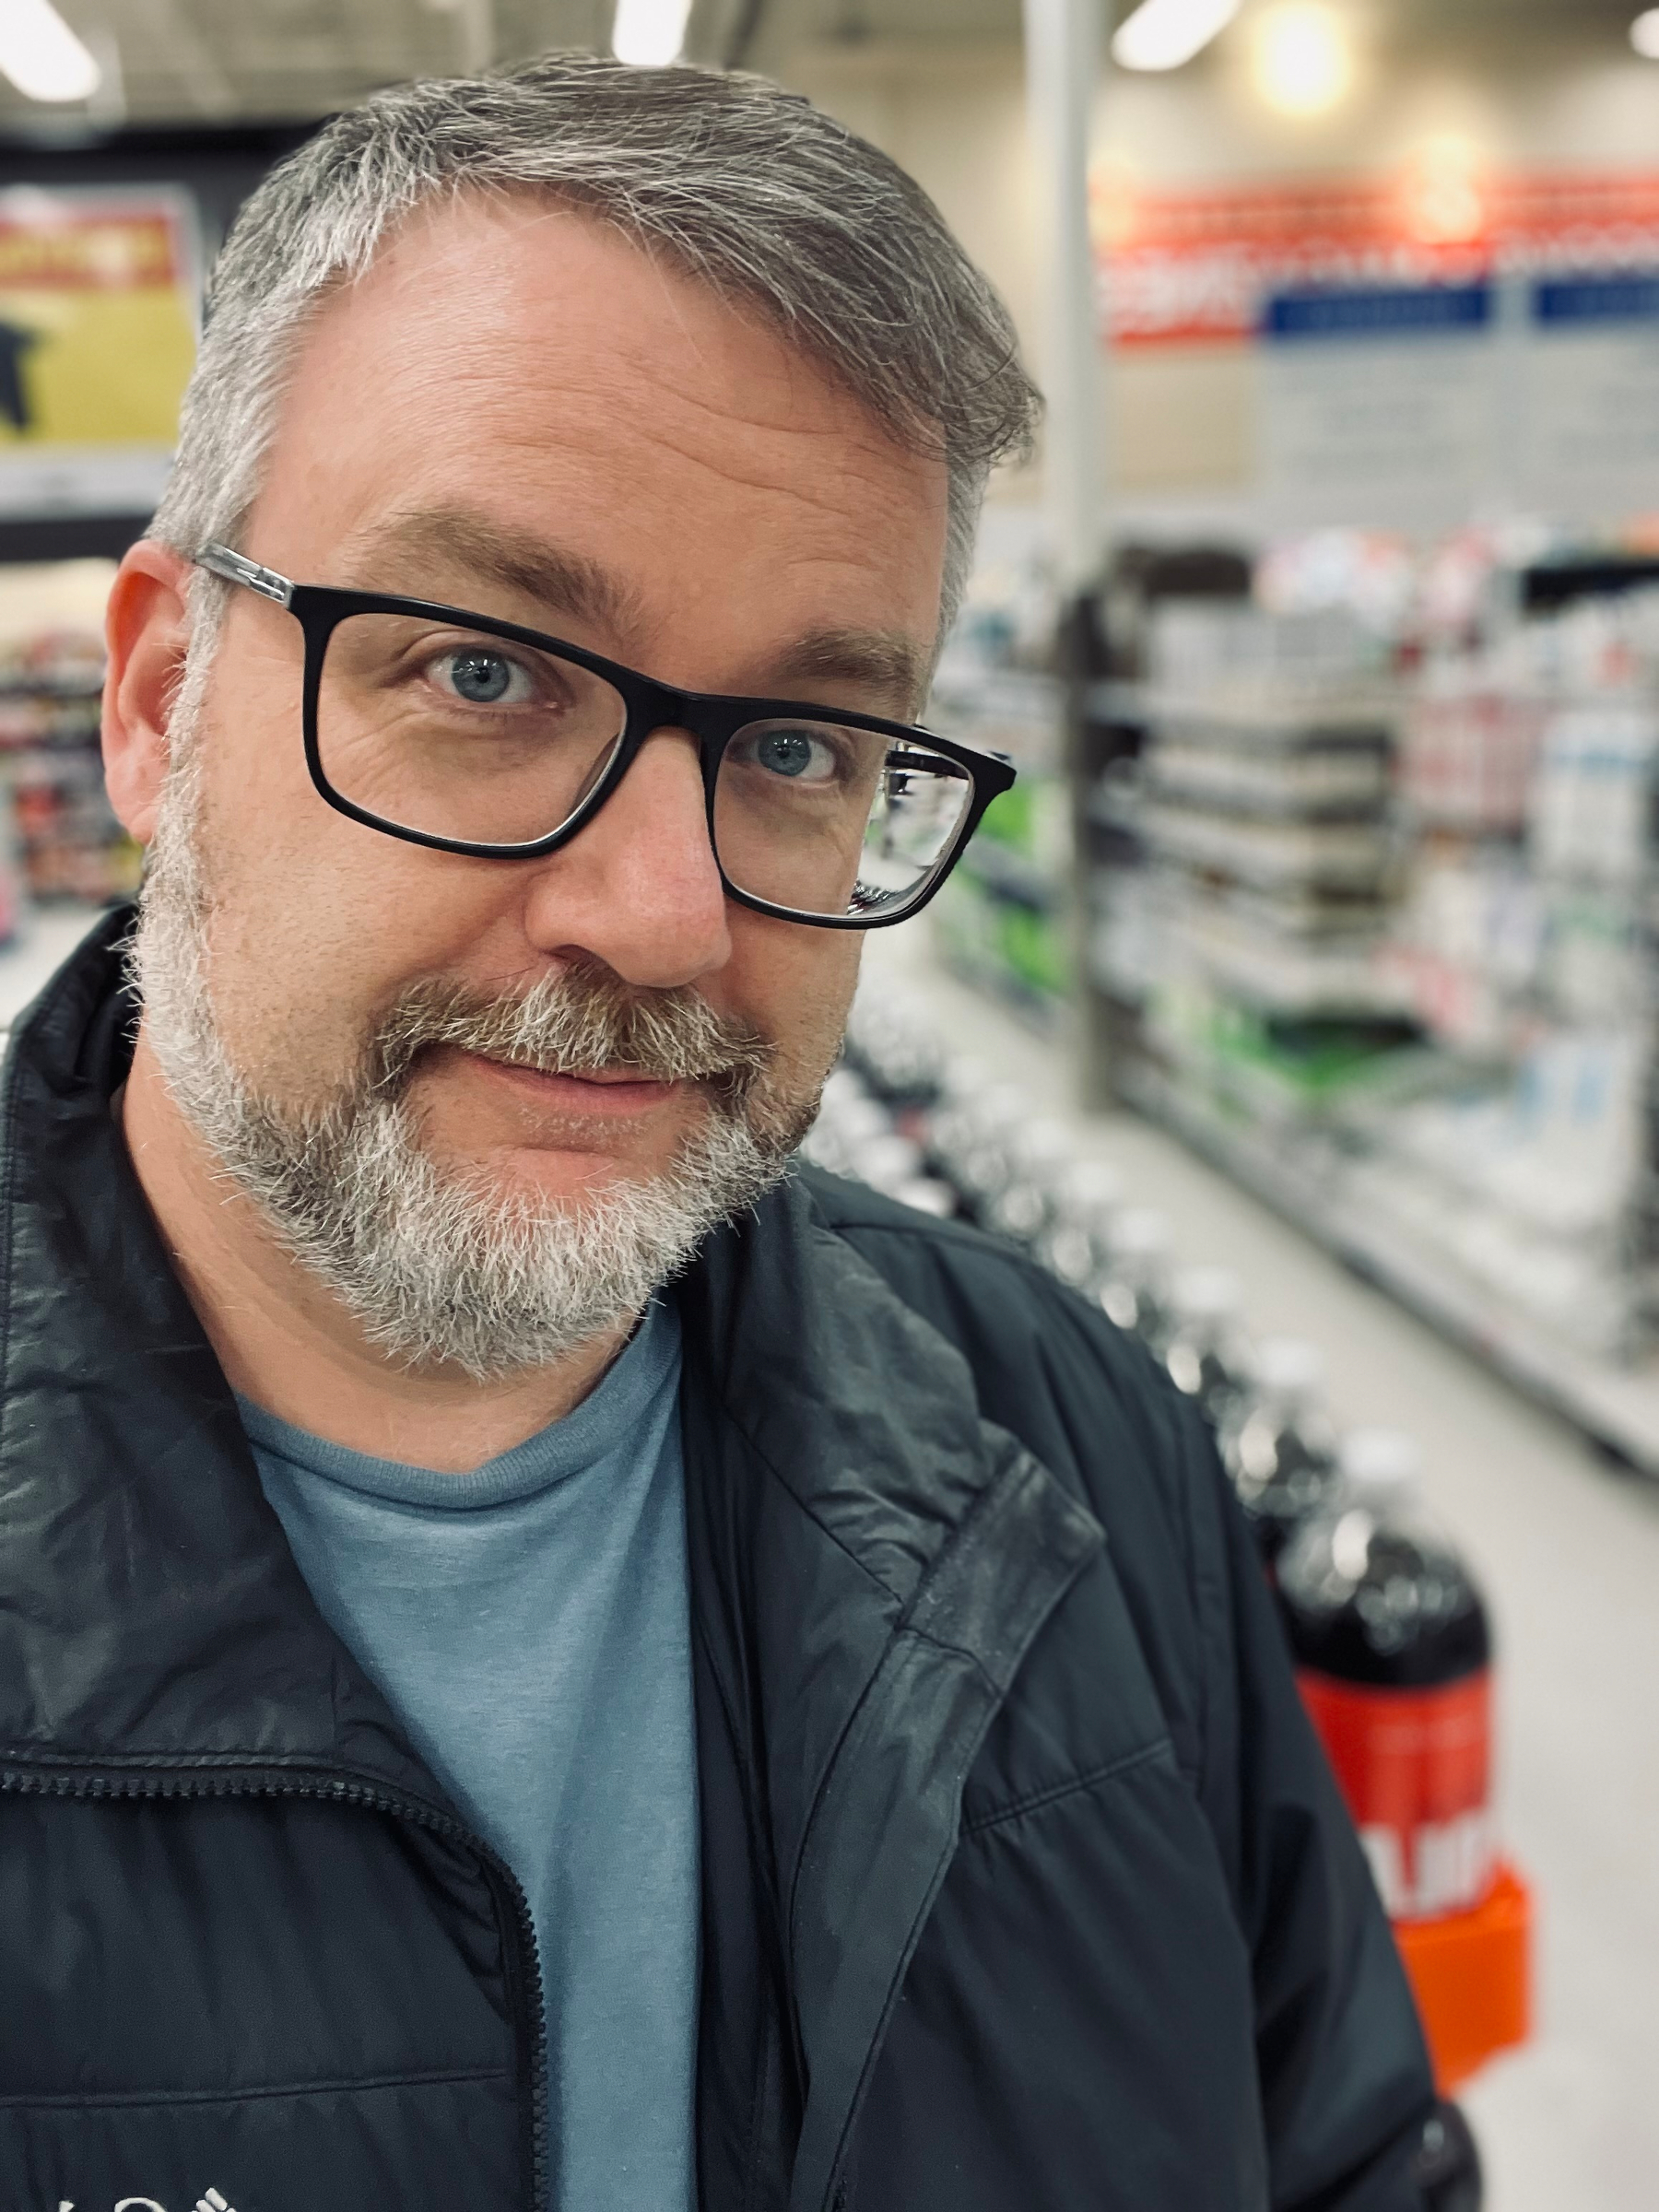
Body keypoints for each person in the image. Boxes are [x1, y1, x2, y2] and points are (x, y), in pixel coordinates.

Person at [0, 54, 1437, 2212]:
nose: (665, 916)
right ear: (156, 701)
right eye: (485, 675)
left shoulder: (1066, 1446)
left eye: (795, 742)